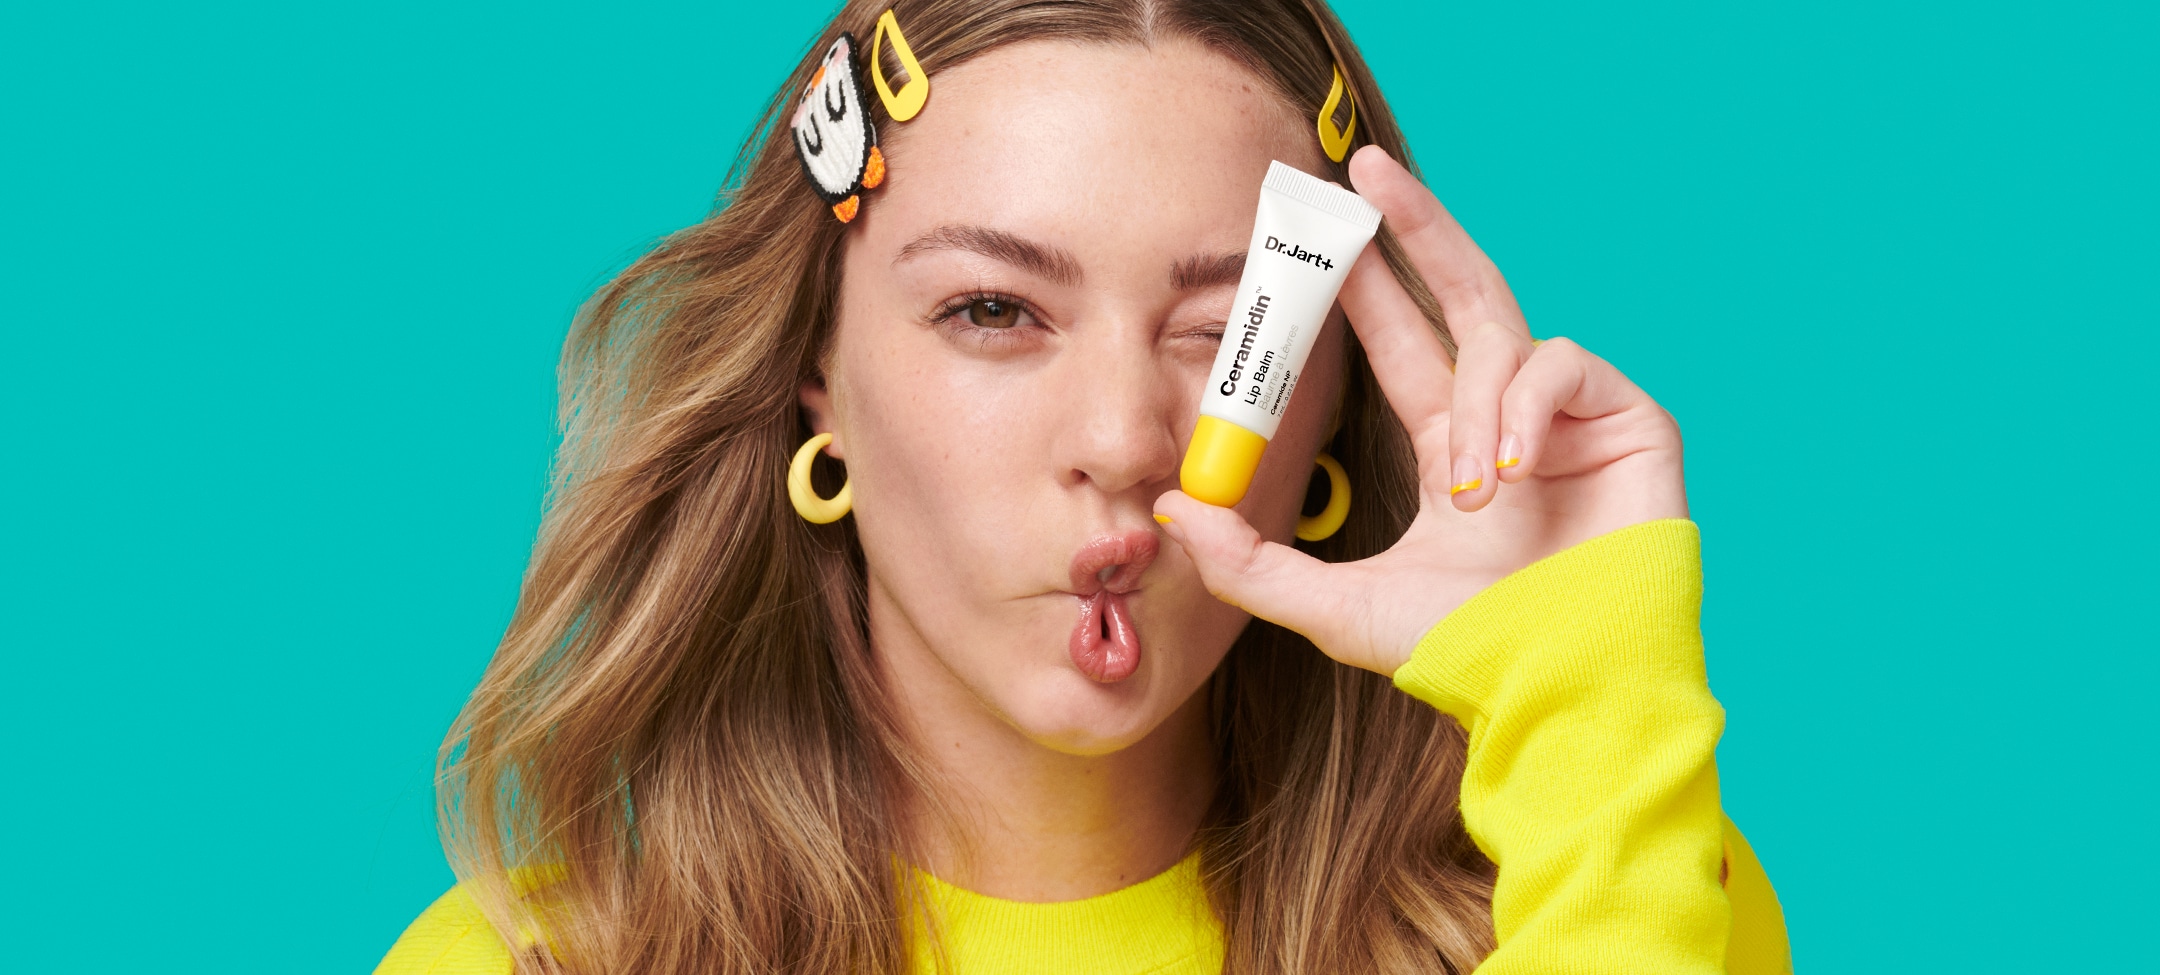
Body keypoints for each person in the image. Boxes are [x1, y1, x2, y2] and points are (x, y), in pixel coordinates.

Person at [375, 1, 1791, 972]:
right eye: (994, 312)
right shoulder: (536, 966)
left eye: (1235, 333)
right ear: (819, 379)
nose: (1123, 439)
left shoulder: (1606, 873)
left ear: (1331, 406)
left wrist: (1586, 678)